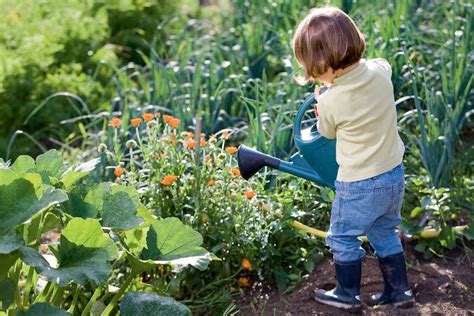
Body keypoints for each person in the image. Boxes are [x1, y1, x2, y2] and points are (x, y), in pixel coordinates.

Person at [292, 6, 415, 312]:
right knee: (384, 232)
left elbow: (327, 132)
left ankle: (347, 293)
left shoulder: (332, 99)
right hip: (392, 174)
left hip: (359, 183)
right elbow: (383, 64)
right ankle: (399, 292)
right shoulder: (379, 73)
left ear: (322, 64)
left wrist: (322, 103)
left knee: (342, 236)